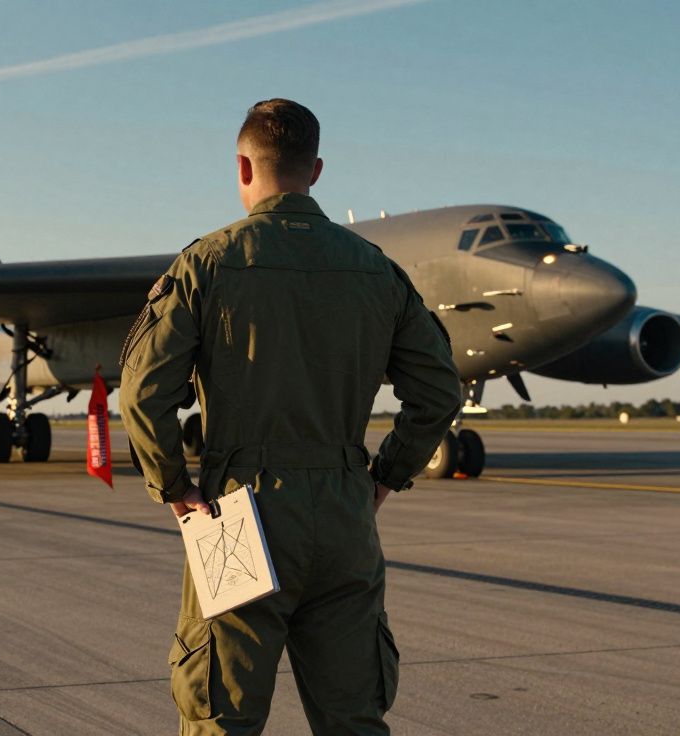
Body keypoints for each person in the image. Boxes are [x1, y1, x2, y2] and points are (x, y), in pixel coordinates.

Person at [119, 99, 462, 735]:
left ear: (243, 167)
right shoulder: (378, 270)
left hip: (235, 511)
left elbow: (143, 392)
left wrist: (175, 487)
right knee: (354, 719)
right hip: (343, 510)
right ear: (317, 169)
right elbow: (439, 390)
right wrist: (386, 476)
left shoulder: (208, 263)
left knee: (222, 716)